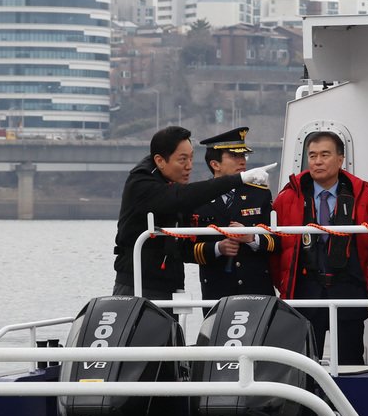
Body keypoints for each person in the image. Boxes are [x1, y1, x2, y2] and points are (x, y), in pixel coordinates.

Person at [113, 125, 270, 300]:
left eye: (191, 158)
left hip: (172, 283)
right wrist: (240, 178)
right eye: (182, 160)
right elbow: (180, 198)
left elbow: (185, 248)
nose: (189, 166)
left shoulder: (258, 195)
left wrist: (242, 240)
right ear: (160, 161)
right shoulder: (142, 184)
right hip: (137, 285)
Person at [270, 130, 368, 364]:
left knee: (351, 363)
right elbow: (276, 247)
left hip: (349, 291)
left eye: (324, 155)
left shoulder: (365, 198)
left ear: (340, 159)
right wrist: (282, 286)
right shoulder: (287, 199)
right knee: (304, 365)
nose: (317, 161)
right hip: (305, 293)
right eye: (312, 155)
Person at [191, 127, 277, 300]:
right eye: (234, 156)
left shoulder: (259, 194)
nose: (242, 161)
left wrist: (251, 238)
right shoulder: (197, 199)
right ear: (215, 164)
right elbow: (186, 250)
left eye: (243, 156)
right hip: (217, 293)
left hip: (257, 290)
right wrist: (218, 248)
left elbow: (277, 241)